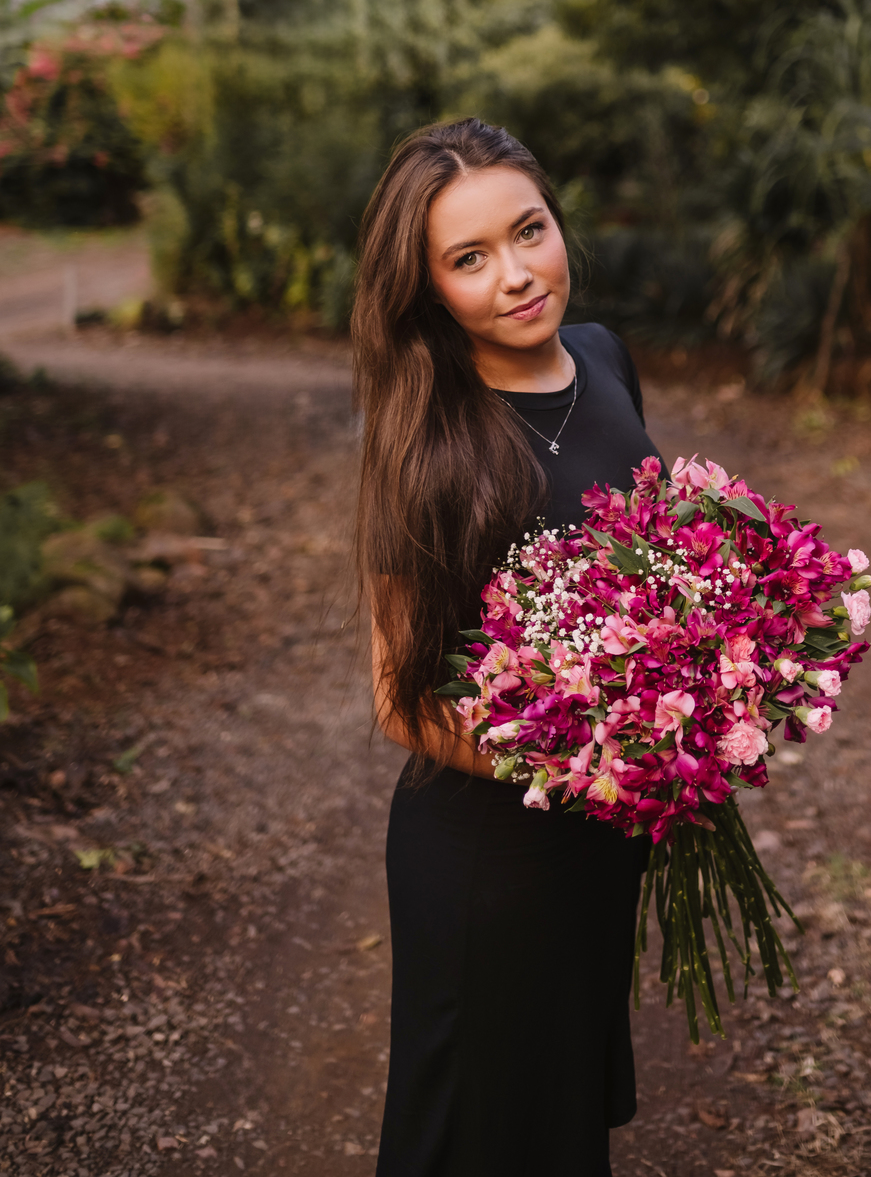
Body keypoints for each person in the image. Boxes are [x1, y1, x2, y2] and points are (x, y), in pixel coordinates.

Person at [353, 116, 659, 1177]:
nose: (518, 276)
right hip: (487, 855)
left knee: (563, 1110)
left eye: (529, 231)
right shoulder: (427, 440)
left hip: (604, 846)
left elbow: (649, 560)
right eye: (470, 259)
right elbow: (399, 696)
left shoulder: (606, 354)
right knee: (472, 1133)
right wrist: (580, 773)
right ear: (429, 286)